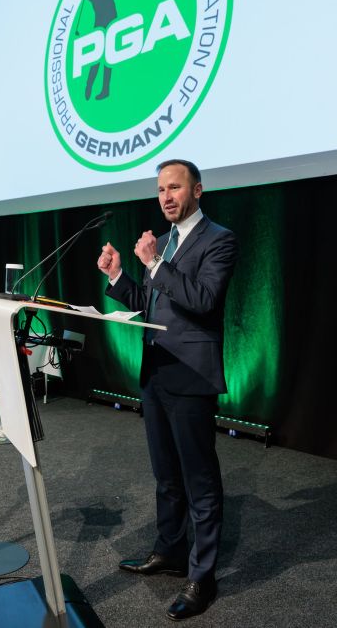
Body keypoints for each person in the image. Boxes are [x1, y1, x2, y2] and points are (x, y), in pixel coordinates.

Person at [97, 159, 237, 621]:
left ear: (197, 190)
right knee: (166, 475)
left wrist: (155, 263)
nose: (166, 197)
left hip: (191, 375)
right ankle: (171, 551)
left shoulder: (219, 240)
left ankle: (203, 577)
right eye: (160, 189)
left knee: (200, 481)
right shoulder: (166, 241)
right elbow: (151, 304)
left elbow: (203, 301)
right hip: (156, 373)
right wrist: (119, 276)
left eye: (174, 187)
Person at [79, 0, 117, 100]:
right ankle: (97, 86)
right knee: (105, 56)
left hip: (102, 20)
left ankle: (96, 86)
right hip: (107, 18)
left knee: (103, 56)